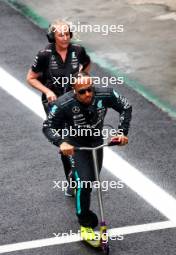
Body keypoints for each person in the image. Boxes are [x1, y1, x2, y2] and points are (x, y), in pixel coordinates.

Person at [42, 73, 132, 238]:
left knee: (92, 179)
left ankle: (72, 176)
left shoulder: (106, 94)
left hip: (96, 142)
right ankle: (85, 223)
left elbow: (125, 106)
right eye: (82, 91)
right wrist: (61, 143)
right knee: (84, 184)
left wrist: (122, 132)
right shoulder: (63, 103)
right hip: (75, 145)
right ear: (74, 91)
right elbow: (47, 126)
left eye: (90, 89)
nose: (88, 94)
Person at [26, 20, 91, 186]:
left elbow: (87, 64)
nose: (65, 38)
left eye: (67, 34)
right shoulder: (44, 55)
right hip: (54, 103)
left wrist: (82, 82)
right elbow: (31, 78)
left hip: (74, 100)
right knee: (65, 141)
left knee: (80, 135)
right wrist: (47, 92)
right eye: (60, 34)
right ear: (52, 37)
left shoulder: (78, 51)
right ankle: (71, 180)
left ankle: (83, 173)